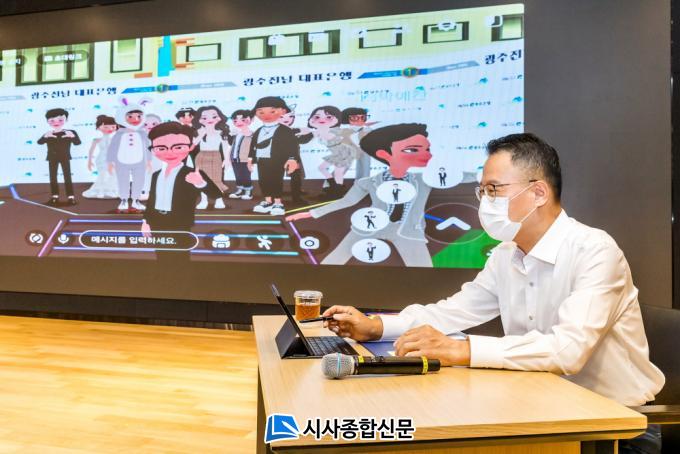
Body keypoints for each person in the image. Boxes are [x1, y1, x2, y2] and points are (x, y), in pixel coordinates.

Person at [321, 132, 665, 454]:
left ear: (538, 193)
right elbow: (452, 311)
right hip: (541, 408)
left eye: (494, 189)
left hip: (616, 427)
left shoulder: (595, 250)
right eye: (482, 191)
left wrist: (462, 349)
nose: (485, 202)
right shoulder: (506, 254)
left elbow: (568, 351)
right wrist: (377, 326)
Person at [286, 123, 433, 267]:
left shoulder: (426, 180)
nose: (428, 154)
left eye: (427, 149)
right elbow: (347, 201)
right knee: (334, 261)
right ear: (383, 153)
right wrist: (311, 213)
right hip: (369, 226)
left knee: (424, 270)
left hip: (409, 231)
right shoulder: (368, 182)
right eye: (413, 149)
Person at [141, 122, 221, 261]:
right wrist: (146, 222)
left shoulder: (193, 173)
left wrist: (200, 183)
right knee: (161, 256)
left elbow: (216, 194)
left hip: (179, 222)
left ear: (190, 147)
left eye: (178, 147)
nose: (170, 152)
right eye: (161, 148)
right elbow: (152, 201)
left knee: (180, 257)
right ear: (153, 150)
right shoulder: (156, 175)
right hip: (157, 222)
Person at [247, 96, 299, 216]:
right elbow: (253, 146)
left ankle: (277, 202)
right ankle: (267, 201)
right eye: (261, 112)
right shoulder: (258, 130)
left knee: (276, 180)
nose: (266, 115)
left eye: (272, 111)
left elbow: (292, 146)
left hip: (277, 160)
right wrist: (250, 159)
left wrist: (292, 159)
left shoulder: (285, 130)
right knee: (263, 181)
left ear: (283, 111)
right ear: (256, 113)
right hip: (261, 160)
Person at [107, 96, 152, 212]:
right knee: (123, 180)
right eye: (130, 116)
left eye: (138, 116)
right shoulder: (119, 134)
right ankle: (124, 200)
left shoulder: (143, 133)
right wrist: (110, 162)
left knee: (139, 180)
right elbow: (112, 148)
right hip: (121, 161)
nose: (135, 119)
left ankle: (136, 200)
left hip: (140, 161)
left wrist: (149, 161)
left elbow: (148, 148)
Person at [37, 108, 81, 206]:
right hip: (52, 158)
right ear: (47, 121)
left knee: (67, 177)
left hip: (65, 157)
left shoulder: (70, 132)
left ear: (66, 120)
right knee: (53, 178)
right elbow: (39, 142)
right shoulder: (49, 133)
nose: (56, 123)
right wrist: (45, 136)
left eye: (60, 120)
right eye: (52, 120)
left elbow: (77, 143)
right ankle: (55, 197)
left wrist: (72, 136)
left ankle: (71, 197)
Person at [191, 106, 229, 209]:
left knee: (216, 178)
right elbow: (193, 145)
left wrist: (226, 159)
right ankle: (204, 201)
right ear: (199, 119)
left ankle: (219, 200)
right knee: (201, 178)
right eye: (204, 118)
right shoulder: (198, 131)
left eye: (214, 116)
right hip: (201, 156)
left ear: (220, 117)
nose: (209, 120)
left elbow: (225, 146)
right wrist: (201, 134)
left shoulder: (221, 132)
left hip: (216, 156)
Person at [82, 115, 119, 199]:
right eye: (106, 127)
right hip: (101, 159)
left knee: (113, 175)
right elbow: (91, 151)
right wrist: (89, 161)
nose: (110, 129)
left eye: (113, 127)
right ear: (99, 128)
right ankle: (100, 191)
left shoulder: (115, 139)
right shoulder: (96, 140)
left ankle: (110, 190)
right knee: (103, 175)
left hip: (113, 159)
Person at [227, 109, 254, 200]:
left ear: (250, 120)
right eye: (235, 121)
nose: (238, 122)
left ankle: (248, 191)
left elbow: (253, 147)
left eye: (242, 120)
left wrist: (251, 160)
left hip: (245, 159)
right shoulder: (236, 133)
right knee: (238, 175)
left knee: (246, 175)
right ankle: (240, 190)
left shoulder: (251, 134)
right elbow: (231, 145)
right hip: (235, 158)